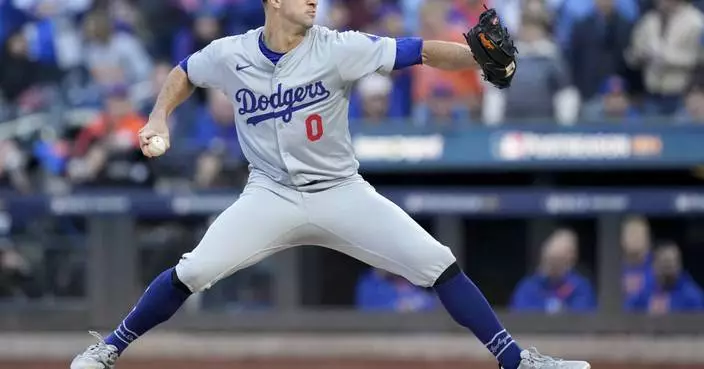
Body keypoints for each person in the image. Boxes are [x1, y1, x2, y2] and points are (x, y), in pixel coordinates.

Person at [70, 1, 589, 369]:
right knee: (195, 269)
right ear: (274, 2)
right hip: (268, 193)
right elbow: (184, 71)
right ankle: (109, 348)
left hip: (340, 190)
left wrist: (476, 57)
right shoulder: (230, 54)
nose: (314, 2)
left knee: (437, 262)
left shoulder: (339, 47)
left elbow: (421, 52)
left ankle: (516, 361)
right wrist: (159, 117)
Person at [510, 229, 596, 314]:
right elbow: (518, 314)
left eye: (559, 260)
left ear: (571, 260)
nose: (551, 267)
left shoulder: (580, 287)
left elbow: (583, 318)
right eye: (549, 260)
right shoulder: (527, 287)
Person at [626, 242, 704, 313]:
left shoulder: (692, 296)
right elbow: (627, 313)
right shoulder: (644, 291)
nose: (667, 270)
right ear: (654, 265)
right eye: (664, 264)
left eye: (671, 264)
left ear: (679, 266)